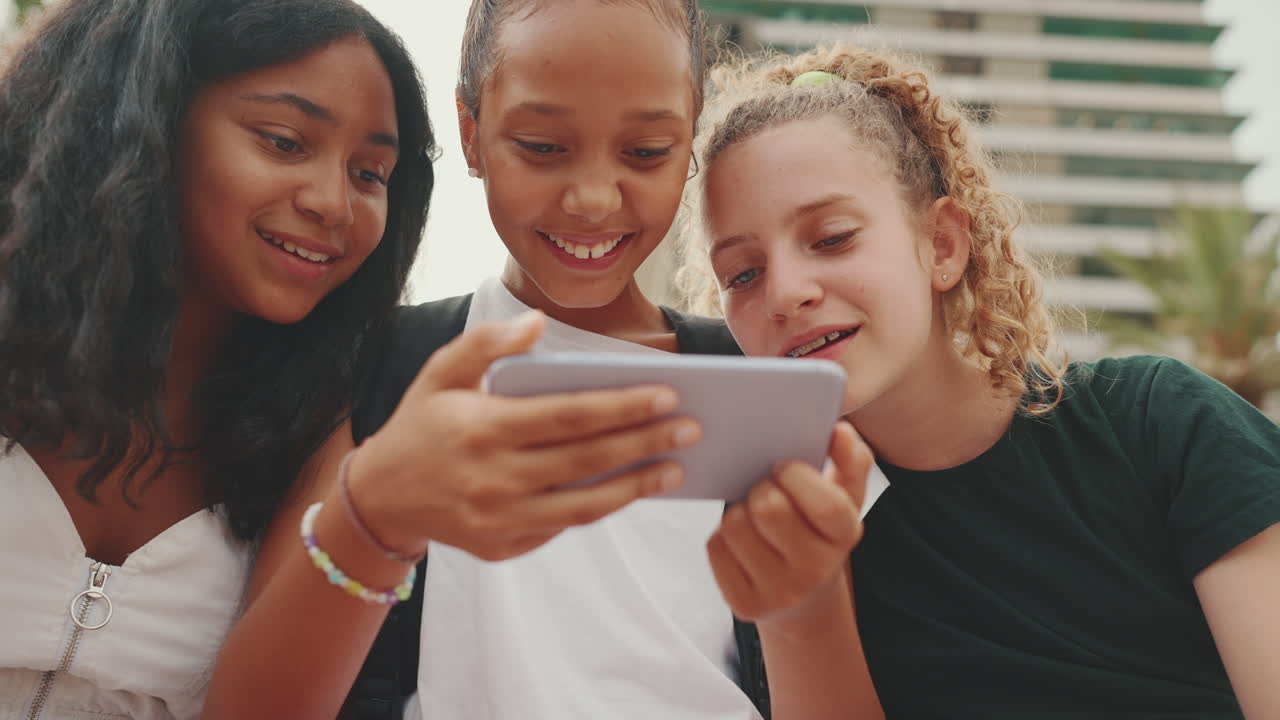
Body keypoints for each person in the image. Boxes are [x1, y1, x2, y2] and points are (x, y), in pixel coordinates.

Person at [205, 2, 883, 719]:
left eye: (647, 151)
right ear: (471, 134)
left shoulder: (762, 390)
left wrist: (806, 611)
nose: (592, 199)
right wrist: (374, 518)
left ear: (691, 140)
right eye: (541, 146)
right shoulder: (385, 369)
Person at [683, 43, 1280, 719]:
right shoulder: (778, 529)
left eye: (832, 238)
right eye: (742, 274)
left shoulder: (1160, 425)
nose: (785, 294)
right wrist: (803, 607)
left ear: (941, 245)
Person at [0, 0, 435, 717]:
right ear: (150, 118)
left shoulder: (320, 425)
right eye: (285, 141)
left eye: (370, 173)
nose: (333, 203)